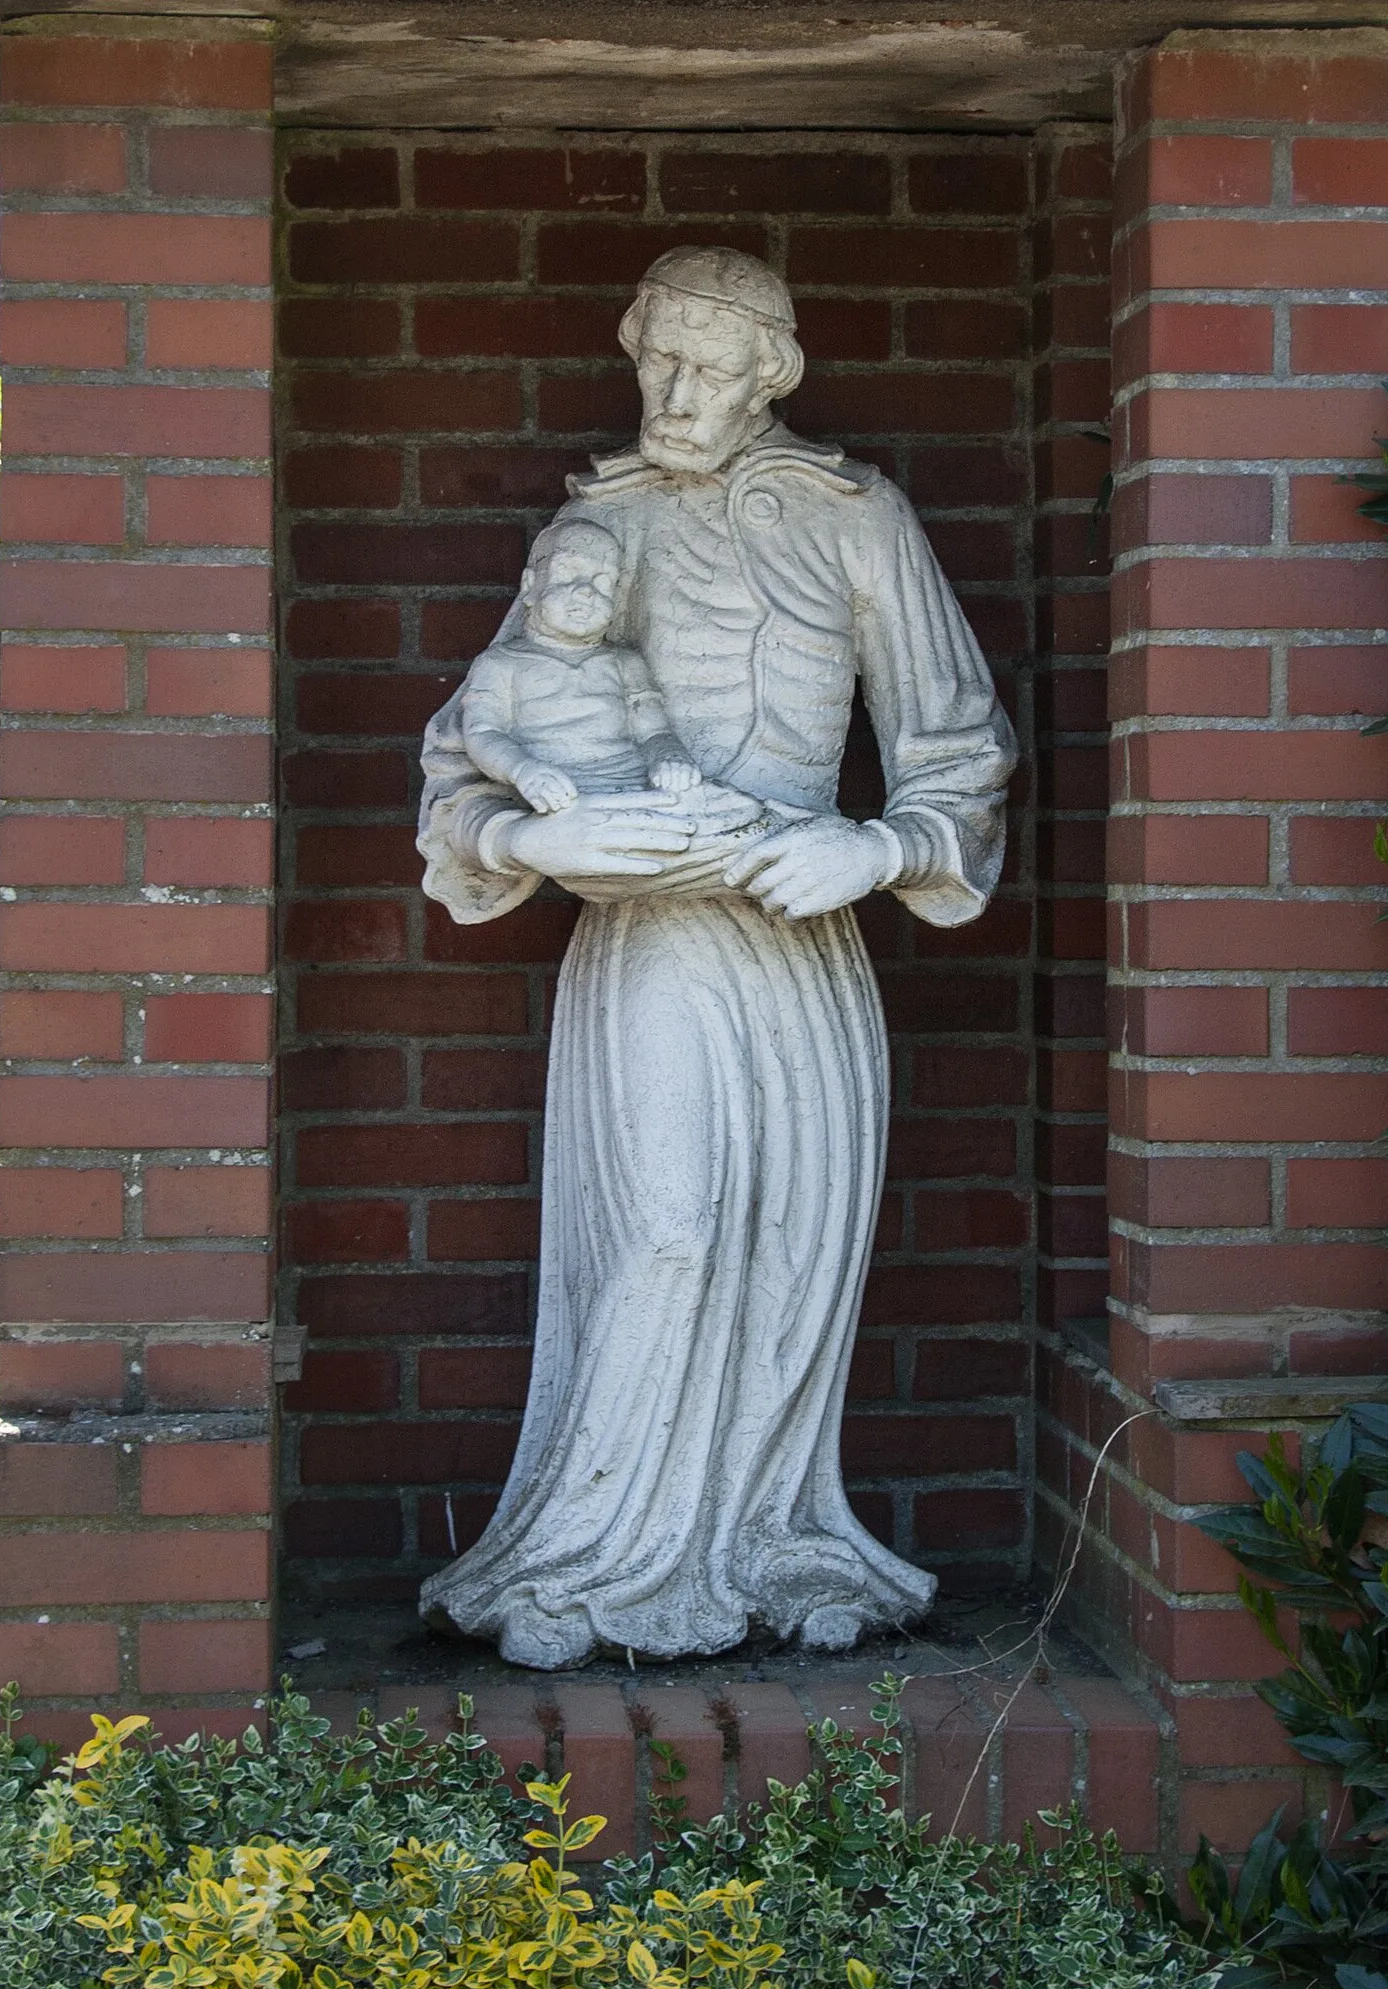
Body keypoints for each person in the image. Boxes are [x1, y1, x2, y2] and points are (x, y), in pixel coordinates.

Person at [417, 245, 1015, 1668]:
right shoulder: (601, 526)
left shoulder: (856, 518)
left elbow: (959, 748)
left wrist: (874, 851)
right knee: (671, 1229)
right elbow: (468, 759)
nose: (669, 391)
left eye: (701, 364)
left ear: (775, 372)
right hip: (649, 938)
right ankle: (586, 1555)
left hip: (800, 953)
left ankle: (771, 1540)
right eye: (652, 362)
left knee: (790, 1253)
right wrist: (523, 847)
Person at [457, 517, 704, 814]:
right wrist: (523, 771)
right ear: (530, 586)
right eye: (568, 573)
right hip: (558, 792)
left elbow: (654, 732)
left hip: (634, 783)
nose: (587, 591)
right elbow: (483, 732)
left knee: (737, 814)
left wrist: (670, 758)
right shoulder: (501, 663)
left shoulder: (625, 662)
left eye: (603, 582)